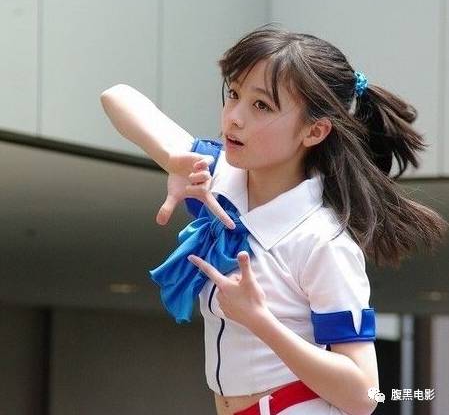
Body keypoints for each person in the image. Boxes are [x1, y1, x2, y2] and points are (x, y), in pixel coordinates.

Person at [101, 24, 448, 415]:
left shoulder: (321, 240)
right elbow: (116, 97)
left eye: (261, 106)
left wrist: (260, 320)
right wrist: (172, 158)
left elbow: (365, 396)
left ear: (314, 131)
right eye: (234, 94)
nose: (234, 118)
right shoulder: (217, 179)